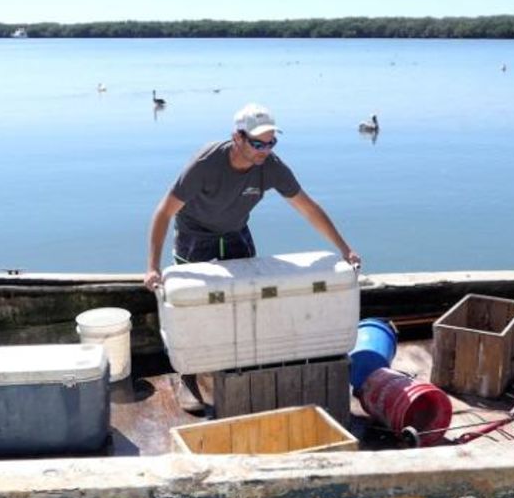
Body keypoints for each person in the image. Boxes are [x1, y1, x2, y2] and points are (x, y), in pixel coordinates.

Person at [145, 102, 361, 412]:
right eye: (258, 142)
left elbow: (307, 207)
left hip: (235, 233)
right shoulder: (205, 164)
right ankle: (189, 376)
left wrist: (345, 248)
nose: (265, 149)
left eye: (271, 142)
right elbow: (163, 212)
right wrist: (151, 267)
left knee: (249, 299)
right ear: (238, 138)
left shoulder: (272, 166)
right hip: (195, 236)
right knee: (192, 307)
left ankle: (241, 362)